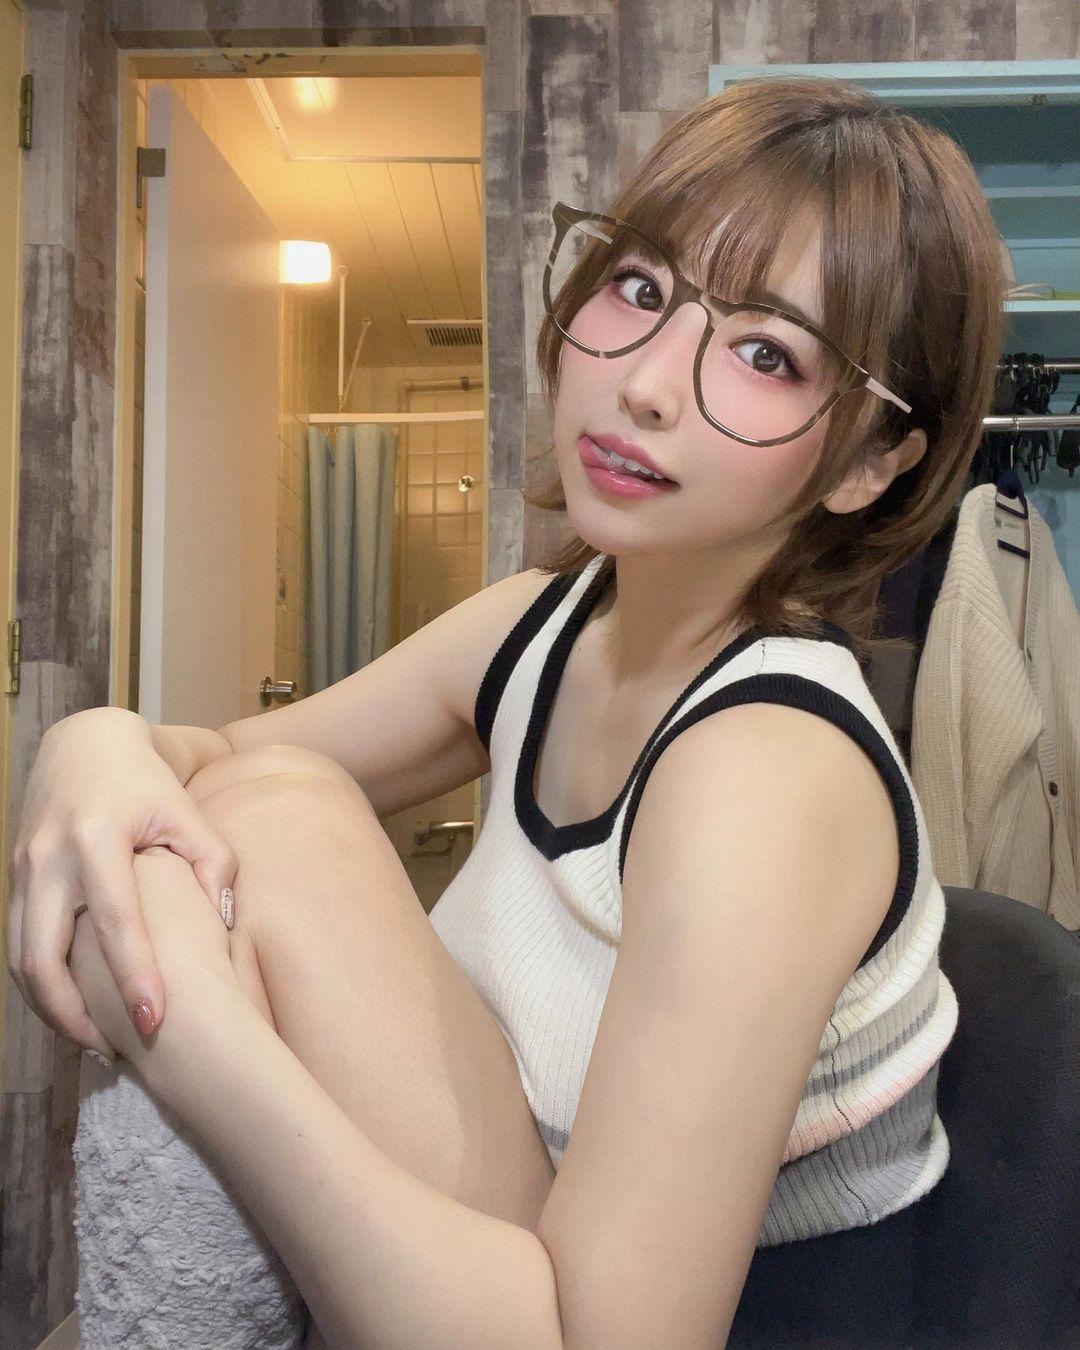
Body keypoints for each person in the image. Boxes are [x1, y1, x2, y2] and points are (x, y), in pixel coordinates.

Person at [7, 74, 1005, 1349]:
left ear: (870, 460)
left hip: (728, 1324)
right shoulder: (544, 625)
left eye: (767, 354)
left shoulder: (769, 772)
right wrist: (87, 745)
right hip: (505, 1255)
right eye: (639, 287)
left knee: (249, 846)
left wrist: (195, 1042)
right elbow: (207, 771)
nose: (647, 382)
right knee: (265, 807)